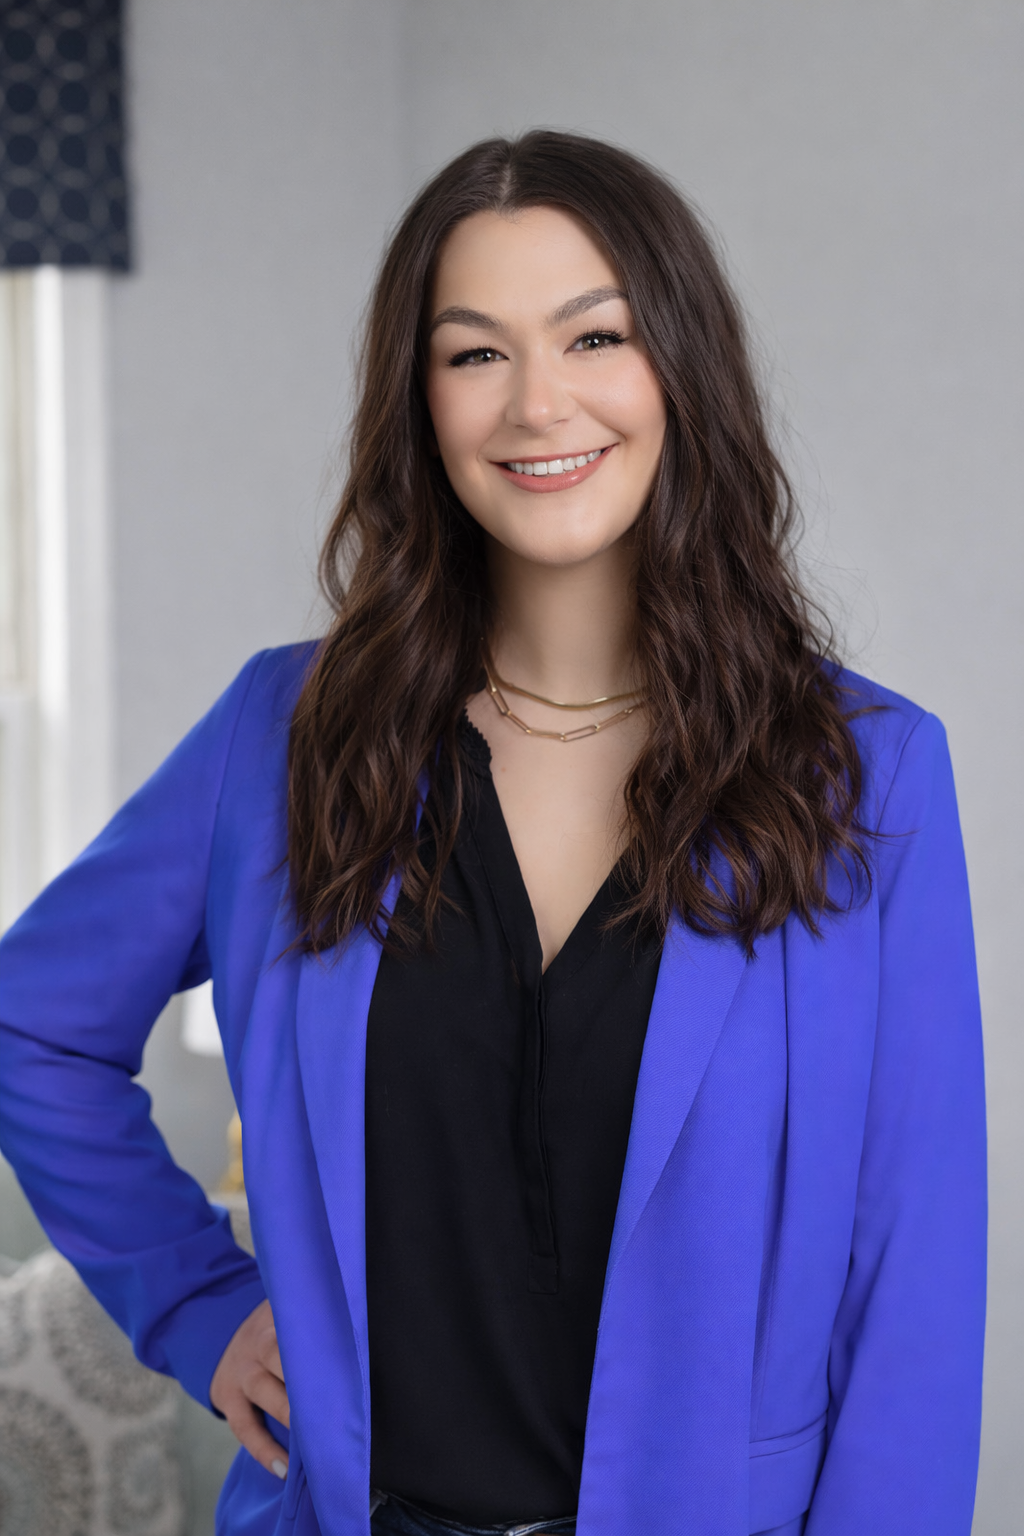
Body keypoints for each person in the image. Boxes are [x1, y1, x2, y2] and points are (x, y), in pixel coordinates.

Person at [0, 132, 985, 1536]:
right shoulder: (284, 738)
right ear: (421, 403)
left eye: (595, 335)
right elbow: (30, 1020)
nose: (538, 403)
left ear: (681, 369)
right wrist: (198, 1303)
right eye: (474, 355)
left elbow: (916, 1279)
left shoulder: (865, 773)